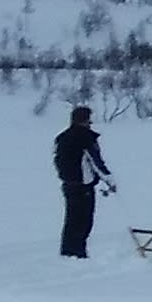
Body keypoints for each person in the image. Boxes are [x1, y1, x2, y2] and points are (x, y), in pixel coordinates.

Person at [52, 105, 111, 257]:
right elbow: (95, 162)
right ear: (85, 120)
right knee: (84, 221)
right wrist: (109, 180)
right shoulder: (86, 138)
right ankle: (78, 252)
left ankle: (68, 251)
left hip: (68, 184)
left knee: (71, 220)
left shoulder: (62, 137)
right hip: (83, 186)